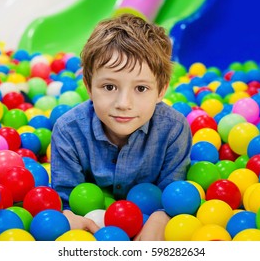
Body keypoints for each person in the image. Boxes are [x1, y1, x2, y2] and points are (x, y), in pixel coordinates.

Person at [51, 13, 192, 240]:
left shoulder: (174, 130)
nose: (124, 104)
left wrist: (162, 216)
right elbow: (65, 200)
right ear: (88, 86)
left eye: (141, 89)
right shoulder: (68, 131)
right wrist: (68, 216)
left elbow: (173, 196)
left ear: (162, 90)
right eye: (109, 87)